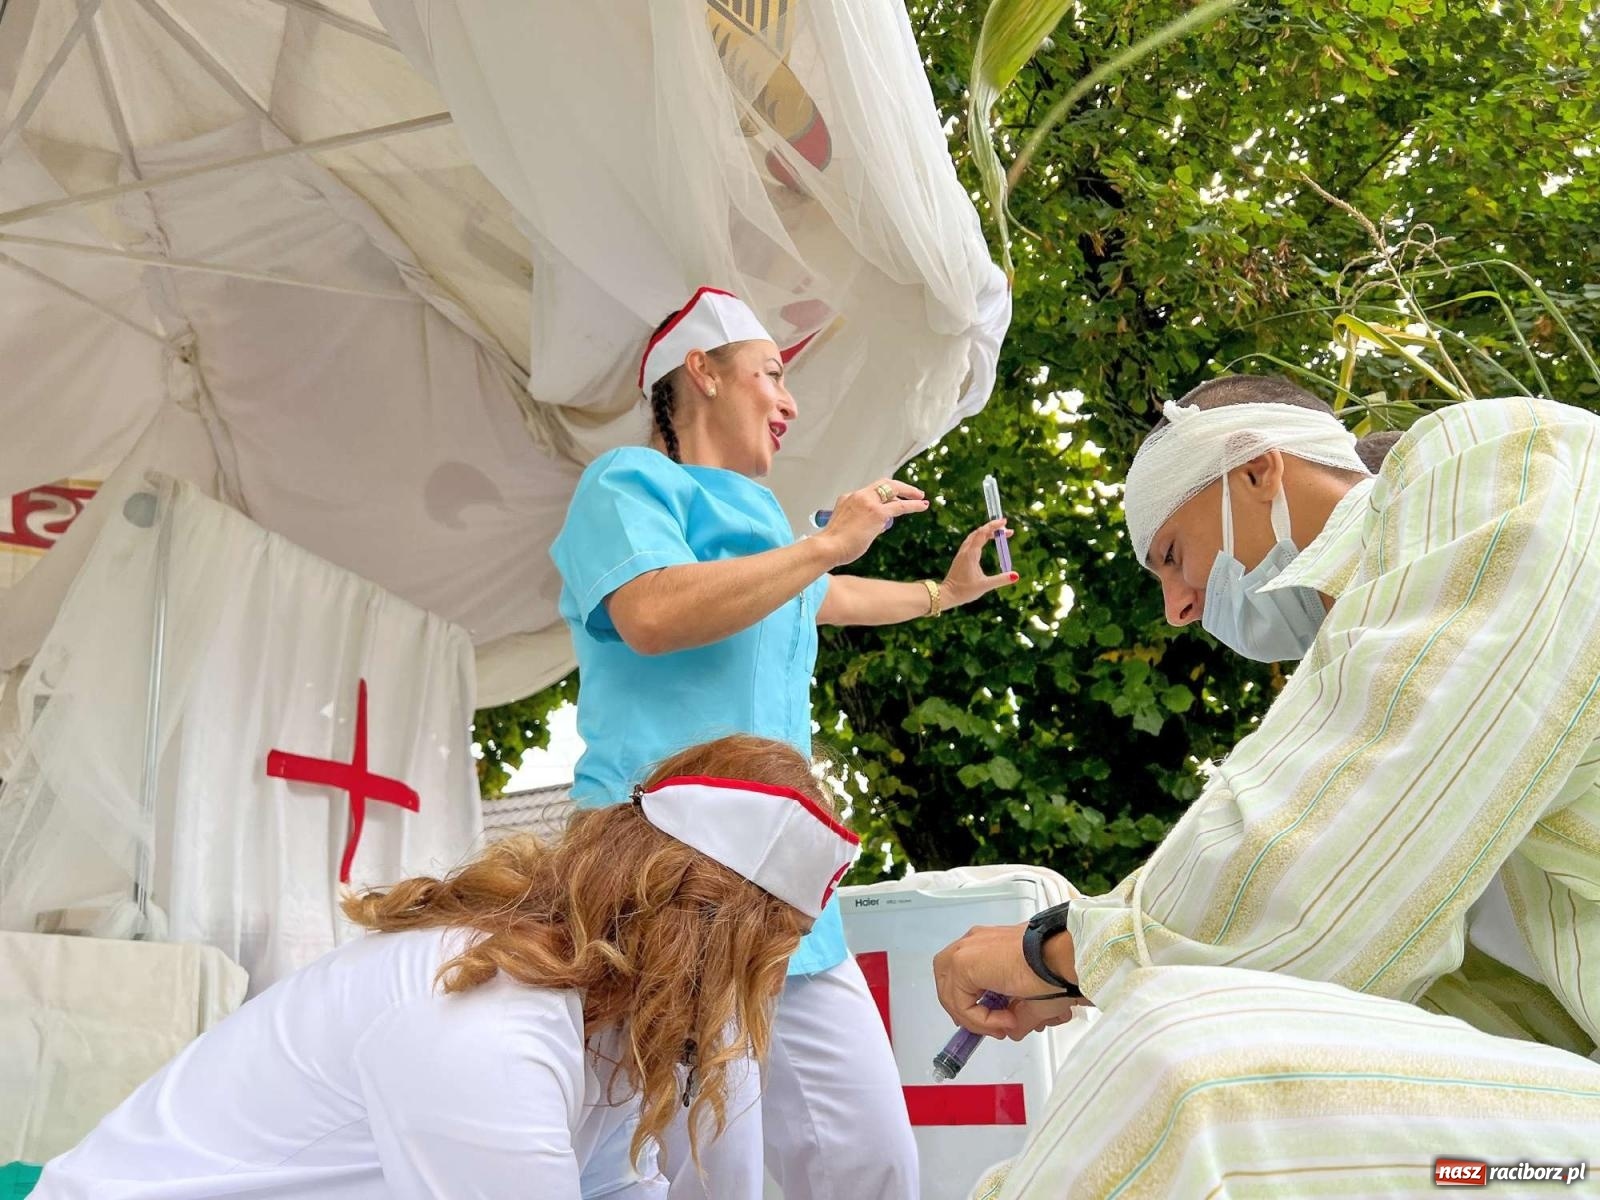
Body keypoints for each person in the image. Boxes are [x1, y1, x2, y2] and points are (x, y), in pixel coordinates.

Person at [932, 378, 1600, 1197]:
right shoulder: (1379, 663)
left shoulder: (1506, 460)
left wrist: (1057, 950)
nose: (1178, 608)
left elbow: (1335, 869)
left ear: (1257, 471)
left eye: (1172, 556)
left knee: (1191, 1074)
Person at [550, 286, 1016, 1199]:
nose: (789, 401)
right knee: (711, 1172)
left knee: (874, 1160)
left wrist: (944, 593)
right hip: (669, 875)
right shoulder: (627, 482)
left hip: (789, 890)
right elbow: (651, 611)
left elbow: (830, 598)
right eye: (770, 373)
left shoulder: (770, 531)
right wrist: (825, 546)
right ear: (701, 371)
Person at [32, 734, 859, 1200]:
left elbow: (617, 1186)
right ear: (700, 940)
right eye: (769, 955)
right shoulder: (492, 1017)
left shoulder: (596, 1022)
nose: (765, 990)